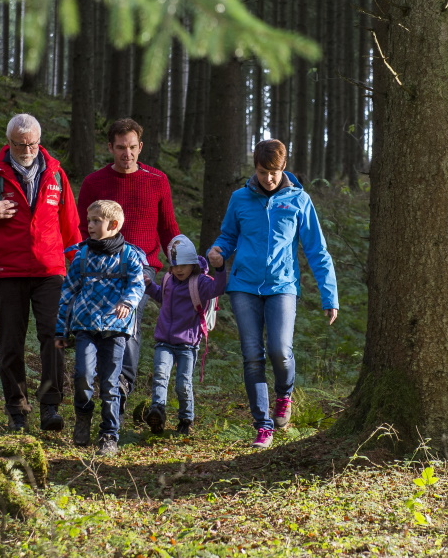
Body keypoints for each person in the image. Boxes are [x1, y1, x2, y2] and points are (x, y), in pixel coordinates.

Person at [208, 139, 339, 448]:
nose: (269, 178)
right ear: (255, 168)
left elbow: (318, 250)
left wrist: (329, 295)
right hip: (243, 286)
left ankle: (284, 395)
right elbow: (228, 235)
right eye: (263, 171)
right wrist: (218, 251)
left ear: (284, 167)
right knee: (252, 356)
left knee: (280, 349)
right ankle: (262, 425)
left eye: (275, 172)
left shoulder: (299, 200)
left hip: (282, 286)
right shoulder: (239, 198)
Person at [0, 114, 82, 433]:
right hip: (6, 270)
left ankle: (50, 406)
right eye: (19, 144)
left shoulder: (56, 173)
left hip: (50, 270)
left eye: (31, 143)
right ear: (9, 142)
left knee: (54, 337)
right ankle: (16, 409)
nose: (26, 149)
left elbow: (71, 228)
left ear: (39, 142)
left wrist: (80, 269)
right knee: (11, 343)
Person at [76, 118, 180, 420]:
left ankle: (121, 390)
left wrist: (183, 265)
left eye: (132, 148)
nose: (127, 154)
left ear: (141, 147)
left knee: (129, 325)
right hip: (99, 267)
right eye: (121, 148)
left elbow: (168, 228)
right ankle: (96, 386)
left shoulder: (157, 181)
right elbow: (83, 229)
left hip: (142, 268)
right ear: (110, 147)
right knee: (100, 329)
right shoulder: (94, 183)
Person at [54, 200, 147, 456]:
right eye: (89, 220)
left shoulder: (129, 255)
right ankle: (83, 416)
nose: (90, 225)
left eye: (96, 221)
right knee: (83, 375)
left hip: (116, 329)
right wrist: (60, 330)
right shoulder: (82, 254)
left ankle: (109, 434)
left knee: (110, 381)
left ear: (114, 225)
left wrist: (127, 302)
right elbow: (68, 292)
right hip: (85, 326)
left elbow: (137, 284)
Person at [141, 234, 229, 437]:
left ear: (193, 264)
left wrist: (221, 268)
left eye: (183, 264)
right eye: (174, 265)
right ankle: (158, 410)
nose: (179, 269)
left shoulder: (200, 283)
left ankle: (185, 419)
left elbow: (218, 288)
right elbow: (161, 296)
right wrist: (148, 285)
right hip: (164, 340)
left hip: (187, 344)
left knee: (183, 383)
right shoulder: (168, 280)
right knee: (161, 375)